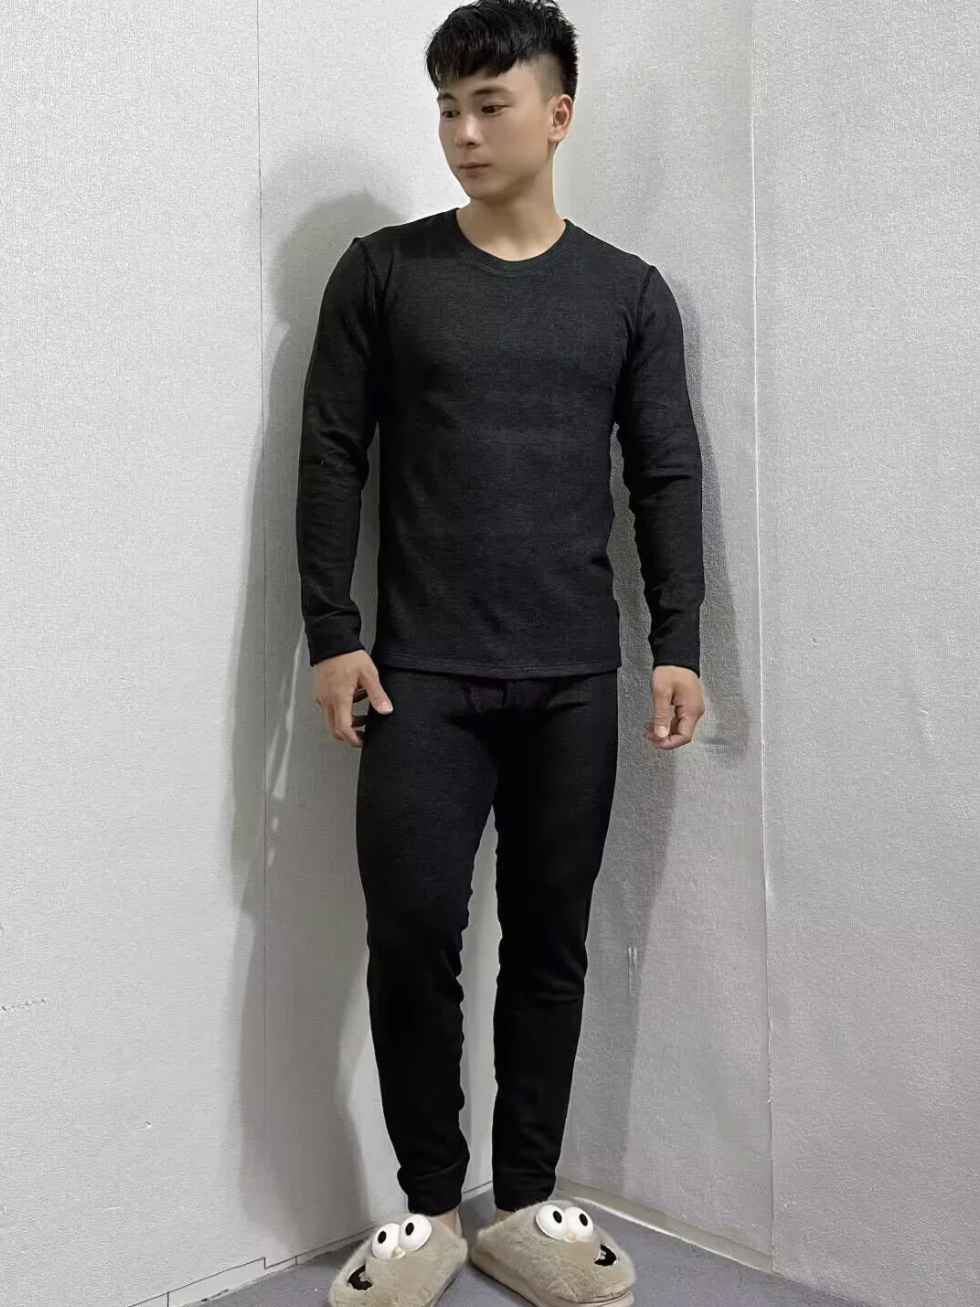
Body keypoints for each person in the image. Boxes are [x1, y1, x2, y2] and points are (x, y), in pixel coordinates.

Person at [295, 3, 705, 1303]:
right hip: (420, 674)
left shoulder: (628, 294)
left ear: (558, 115)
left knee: (550, 943)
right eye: (447, 109)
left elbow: (664, 474)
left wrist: (679, 642)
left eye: (490, 105)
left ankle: (526, 1201)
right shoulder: (384, 274)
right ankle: (428, 1207)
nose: (464, 133)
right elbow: (331, 456)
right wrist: (331, 635)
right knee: (412, 937)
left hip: (574, 675)